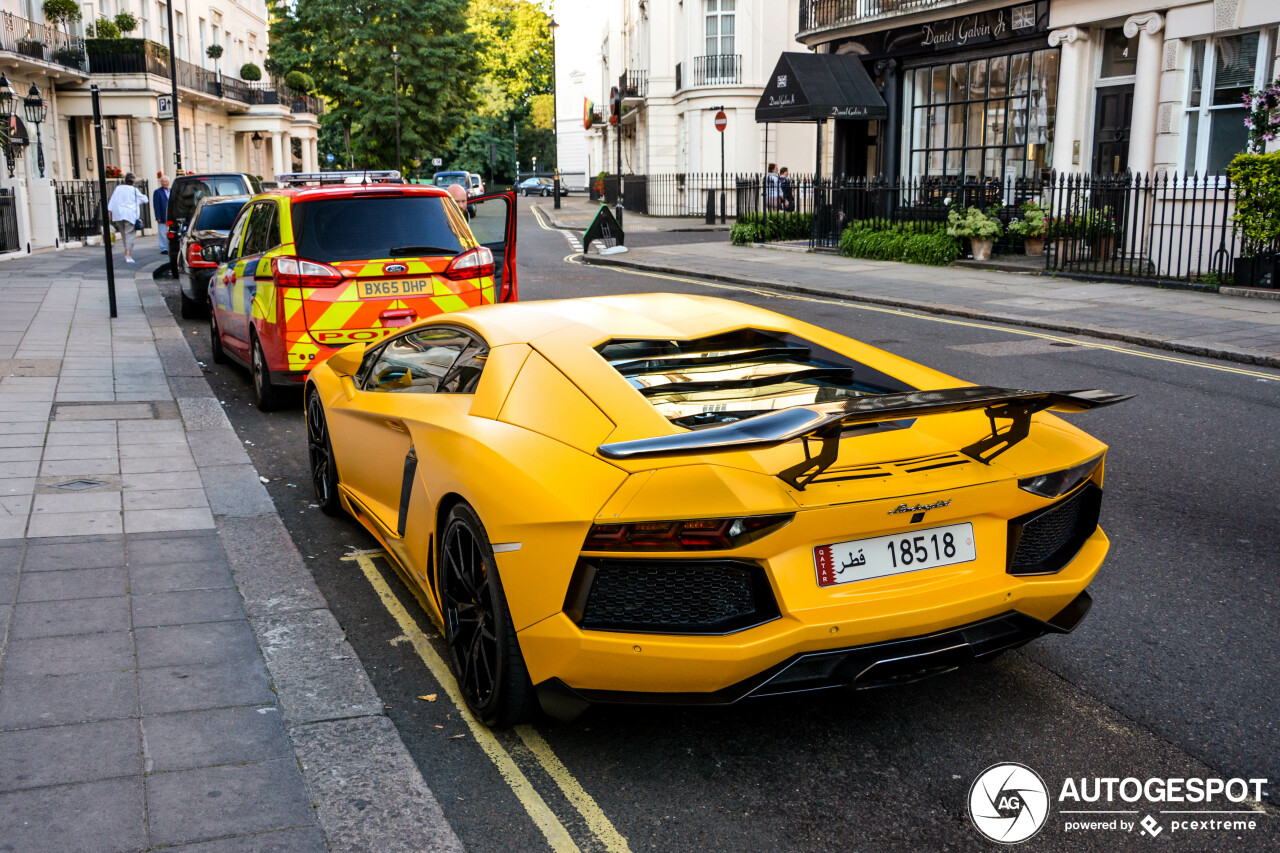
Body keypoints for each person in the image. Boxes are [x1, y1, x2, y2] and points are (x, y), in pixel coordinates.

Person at [106, 172, 148, 264]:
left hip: (118, 214)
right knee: (129, 235)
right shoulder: (134, 190)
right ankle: (128, 256)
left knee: (124, 235)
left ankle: (126, 253)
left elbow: (112, 200)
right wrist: (136, 202)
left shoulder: (118, 188)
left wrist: (109, 212)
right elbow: (145, 199)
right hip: (130, 215)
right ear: (133, 181)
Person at [153, 173, 170, 253]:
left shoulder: (171, 190)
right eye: (163, 181)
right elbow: (156, 205)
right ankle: (164, 248)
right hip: (162, 215)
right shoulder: (157, 192)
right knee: (162, 233)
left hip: (170, 214)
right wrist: (158, 217)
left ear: (168, 182)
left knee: (170, 233)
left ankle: (170, 247)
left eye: (166, 181)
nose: (164, 183)